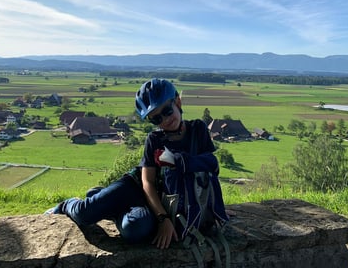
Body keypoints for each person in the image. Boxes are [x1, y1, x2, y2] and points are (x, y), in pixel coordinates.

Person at [135, 78, 229, 250]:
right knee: (132, 227)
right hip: (169, 210)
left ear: (178, 102)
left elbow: (213, 167)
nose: (165, 119)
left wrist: (179, 162)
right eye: (156, 119)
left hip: (199, 208)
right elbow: (147, 182)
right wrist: (163, 219)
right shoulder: (154, 140)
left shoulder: (198, 129)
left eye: (167, 111)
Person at [45, 166, 156, 244]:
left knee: (135, 228)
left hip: (151, 204)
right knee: (84, 214)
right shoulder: (156, 140)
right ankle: (66, 204)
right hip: (135, 185)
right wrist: (162, 218)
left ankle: (104, 200)